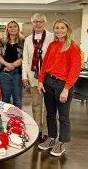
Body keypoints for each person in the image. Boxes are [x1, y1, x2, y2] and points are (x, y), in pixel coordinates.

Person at [37, 19, 81, 157]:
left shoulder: (73, 47)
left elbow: (75, 70)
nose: (59, 30)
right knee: (50, 114)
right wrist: (40, 81)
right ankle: (51, 138)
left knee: (63, 116)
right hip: (48, 82)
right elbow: (44, 64)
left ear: (67, 30)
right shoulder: (52, 45)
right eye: (56, 28)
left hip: (62, 85)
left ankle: (61, 142)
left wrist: (66, 89)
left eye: (62, 28)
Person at [22, 13, 53, 139]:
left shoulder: (52, 37)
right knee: (36, 105)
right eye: (35, 22)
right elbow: (25, 59)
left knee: (49, 106)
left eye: (40, 22)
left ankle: (46, 131)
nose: (38, 24)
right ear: (32, 23)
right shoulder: (28, 39)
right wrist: (25, 76)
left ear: (44, 23)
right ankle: (37, 130)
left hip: (49, 76)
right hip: (34, 76)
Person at [0, 21, 24, 108]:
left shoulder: (23, 41)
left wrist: (13, 66)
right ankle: (6, 119)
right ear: (7, 29)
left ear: (18, 28)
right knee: (5, 98)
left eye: (15, 26)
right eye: (10, 27)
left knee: (17, 98)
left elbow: (25, 57)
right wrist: (7, 64)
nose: (13, 28)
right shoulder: (1, 41)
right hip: (4, 73)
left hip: (18, 73)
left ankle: (18, 119)